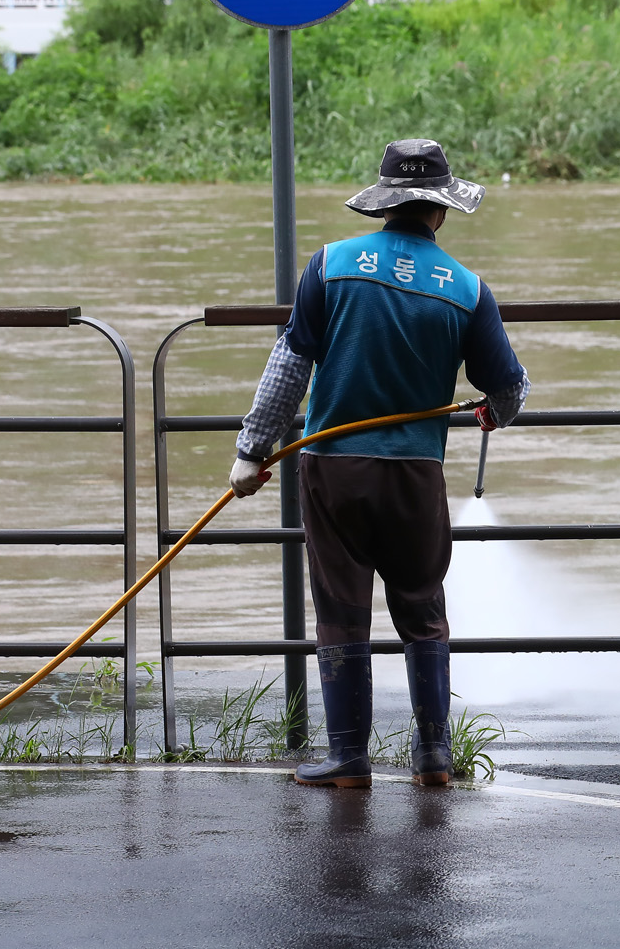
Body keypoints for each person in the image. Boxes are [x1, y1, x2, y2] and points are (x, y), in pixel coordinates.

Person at [228, 139, 528, 789]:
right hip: (415, 475)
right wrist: (490, 417)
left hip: (334, 466)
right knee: (422, 609)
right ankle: (433, 757)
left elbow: (288, 366)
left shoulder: (331, 266)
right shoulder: (469, 291)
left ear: (385, 204)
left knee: (341, 608)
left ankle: (347, 757)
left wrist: (252, 452)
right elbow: (507, 390)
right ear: (441, 212)